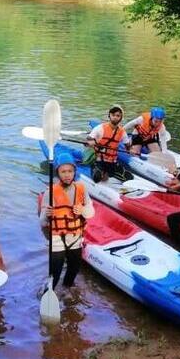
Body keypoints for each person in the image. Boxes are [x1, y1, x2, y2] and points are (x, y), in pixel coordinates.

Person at [39, 152, 95, 289]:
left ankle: (66, 291)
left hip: (75, 237)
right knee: (55, 273)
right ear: (58, 173)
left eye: (70, 171)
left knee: (74, 269)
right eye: (63, 171)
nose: (67, 175)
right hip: (57, 238)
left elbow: (91, 213)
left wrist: (82, 210)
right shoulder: (50, 192)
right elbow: (42, 222)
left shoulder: (81, 188)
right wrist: (47, 214)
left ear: (74, 172)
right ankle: (47, 293)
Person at [86, 105, 132, 182]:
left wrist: (130, 150)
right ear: (109, 115)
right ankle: (96, 169)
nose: (115, 117)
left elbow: (127, 146)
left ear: (121, 118)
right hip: (99, 161)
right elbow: (88, 140)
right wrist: (91, 143)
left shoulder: (122, 132)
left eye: (118, 116)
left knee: (129, 177)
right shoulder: (100, 128)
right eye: (113, 115)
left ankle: (108, 173)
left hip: (112, 162)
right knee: (97, 177)